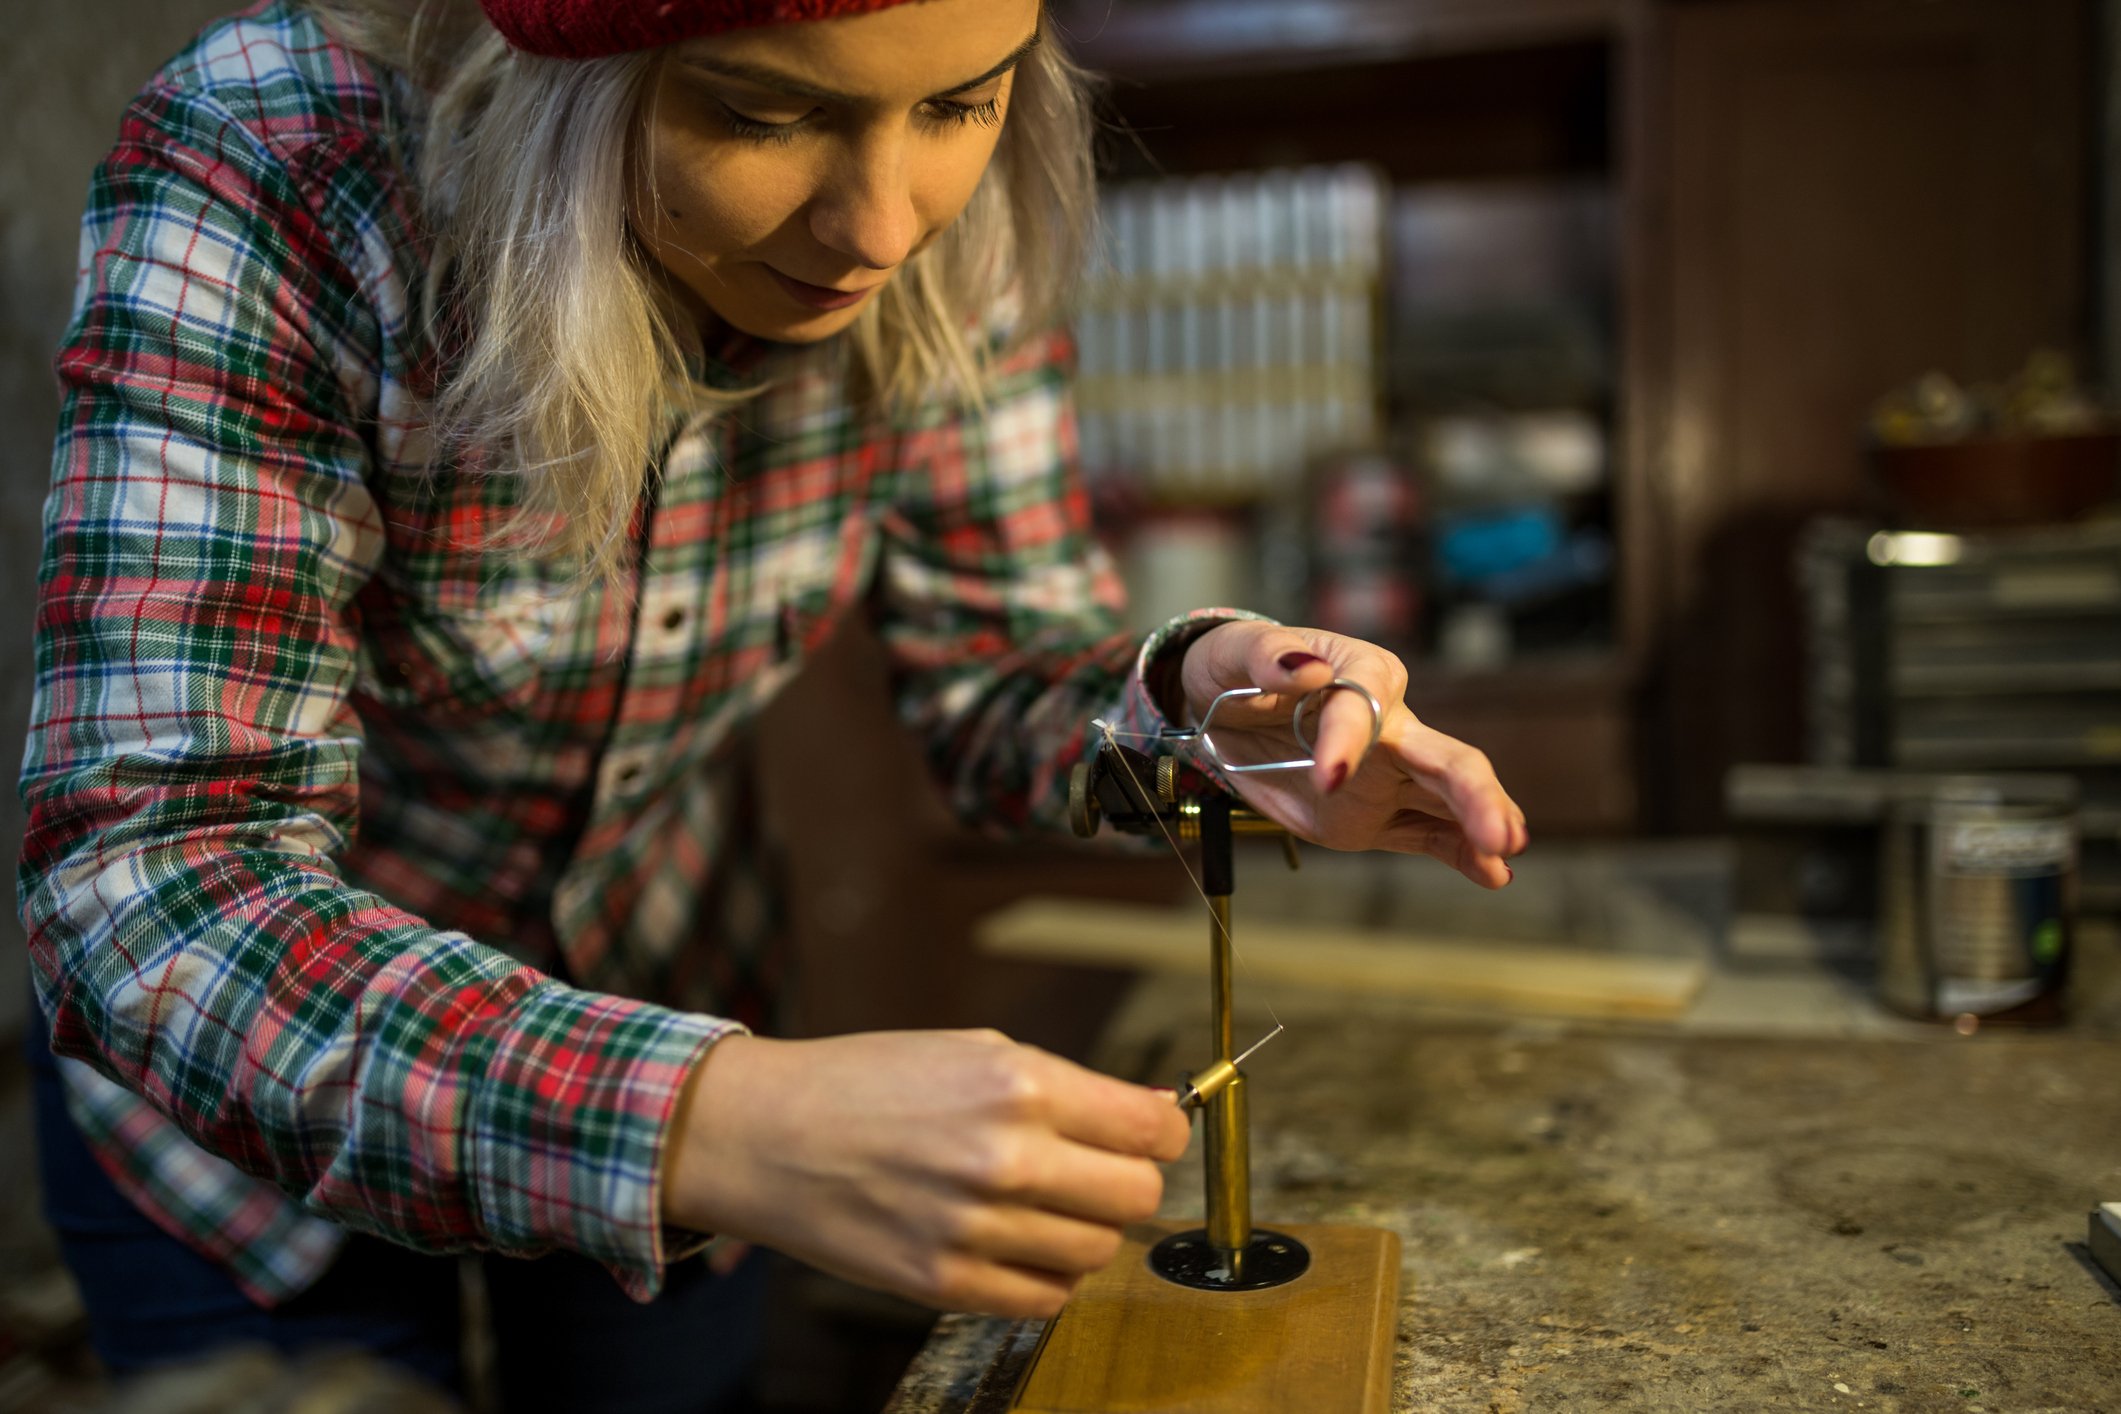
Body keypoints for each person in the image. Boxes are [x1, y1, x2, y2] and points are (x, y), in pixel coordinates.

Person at [17, 0, 1528, 1407]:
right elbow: (149, 878)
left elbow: (998, 677)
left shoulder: (959, 234)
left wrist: (1199, 705)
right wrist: (702, 1123)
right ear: (570, 82)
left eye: (960, 100)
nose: (880, 226)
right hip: (252, 1119)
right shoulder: (283, 161)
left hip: (680, 993)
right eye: (759, 115)